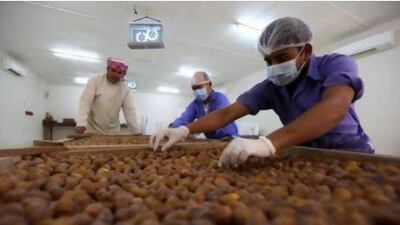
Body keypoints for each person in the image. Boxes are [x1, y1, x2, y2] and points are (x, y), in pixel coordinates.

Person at [149, 17, 374, 168]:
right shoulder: (270, 87)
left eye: (282, 58)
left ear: (306, 52)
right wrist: (185, 129)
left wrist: (268, 143)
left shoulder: (336, 64)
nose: (274, 66)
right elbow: (227, 114)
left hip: (351, 154)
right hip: (305, 157)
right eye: (268, 60)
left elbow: (334, 108)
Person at [75, 57, 140, 135]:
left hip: (113, 131)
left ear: (123, 74)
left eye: (119, 73)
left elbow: (129, 110)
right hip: (92, 129)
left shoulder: (125, 88)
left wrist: (135, 131)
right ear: (107, 69)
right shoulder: (95, 80)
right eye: (113, 70)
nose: (116, 74)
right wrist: (81, 123)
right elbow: (85, 102)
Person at [169, 71, 238, 139]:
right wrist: (170, 129)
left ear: (210, 85)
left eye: (200, 87)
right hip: (212, 141)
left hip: (229, 138)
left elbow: (217, 119)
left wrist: (192, 129)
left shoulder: (221, 98)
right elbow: (183, 119)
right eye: (194, 88)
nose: (197, 91)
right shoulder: (195, 104)